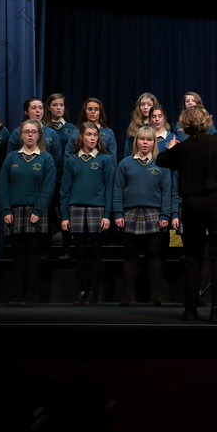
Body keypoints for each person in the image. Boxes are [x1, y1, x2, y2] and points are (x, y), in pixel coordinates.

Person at [157, 106, 217, 322]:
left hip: (193, 204)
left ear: (185, 124)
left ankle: (190, 309)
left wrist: (172, 147)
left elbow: (160, 161)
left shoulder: (183, 147)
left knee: (192, 257)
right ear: (206, 122)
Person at [0, 119, 57, 306]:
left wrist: (39, 210)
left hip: (36, 211)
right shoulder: (12, 158)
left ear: (39, 135)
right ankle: (17, 294)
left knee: (33, 255)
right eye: (26, 132)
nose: (30, 135)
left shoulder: (46, 158)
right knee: (17, 256)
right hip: (14, 211)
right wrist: (6, 209)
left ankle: (29, 295)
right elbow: (2, 185)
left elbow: (48, 186)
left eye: (34, 132)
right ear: (21, 135)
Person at [113, 126, 171, 306]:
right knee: (130, 256)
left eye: (149, 140)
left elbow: (167, 192)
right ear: (136, 141)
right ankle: (126, 296)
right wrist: (118, 213)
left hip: (154, 213)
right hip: (130, 213)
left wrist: (165, 214)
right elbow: (117, 190)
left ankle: (154, 296)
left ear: (154, 143)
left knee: (154, 256)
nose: (145, 143)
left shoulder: (160, 164)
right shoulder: (126, 163)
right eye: (142, 139)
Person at [60, 122, 114, 306]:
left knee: (96, 252)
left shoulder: (105, 159)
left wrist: (107, 214)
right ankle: (81, 290)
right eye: (89, 134)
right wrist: (64, 216)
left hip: (97, 208)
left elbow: (109, 189)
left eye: (95, 135)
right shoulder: (72, 160)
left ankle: (92, 291)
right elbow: (64, 190)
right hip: (76, 208)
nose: (92, 138)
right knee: (80, 252)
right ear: (81, 137)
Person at [47, 92, 76, 259]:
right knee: (49, 210)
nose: (58, 108)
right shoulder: (44, 128)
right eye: (55, 105)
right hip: (48, 176)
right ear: (49, 108)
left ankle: (67, 247)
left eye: (61, 105)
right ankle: (48, 247)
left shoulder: (71, 129)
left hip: (66, 176)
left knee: (65, 210)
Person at [124, 92, 158, 157]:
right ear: (139, 107)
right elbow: (128, 150)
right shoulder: (133, 126)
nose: (145, 107)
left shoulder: (159, 125)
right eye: (142, 104)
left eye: (149, 105)